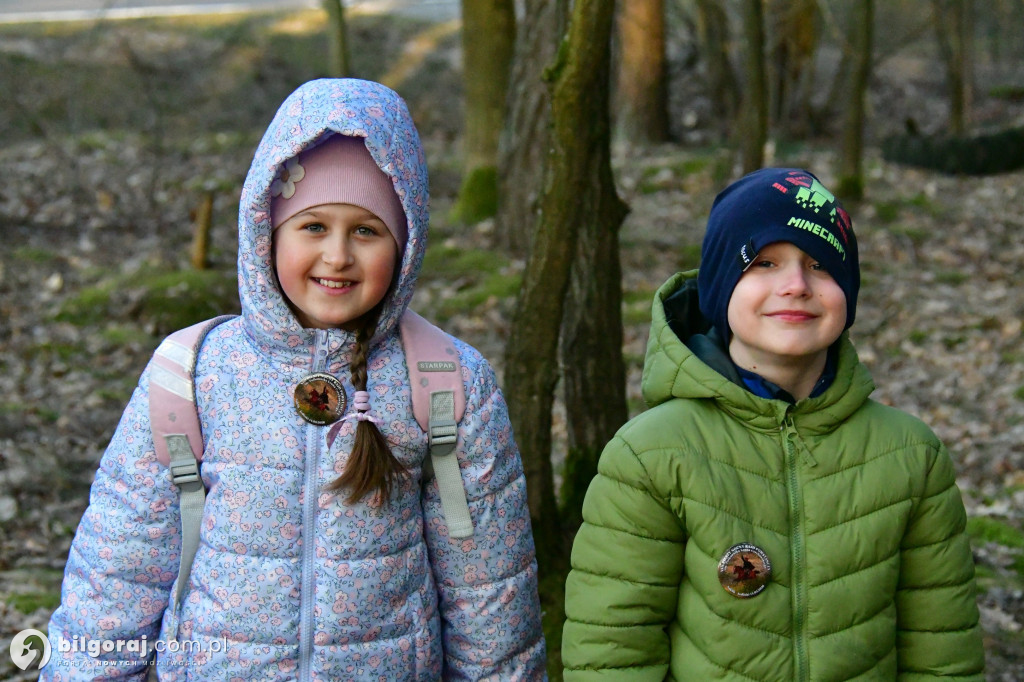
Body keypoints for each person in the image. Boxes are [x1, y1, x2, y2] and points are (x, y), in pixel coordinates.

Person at [43, 78, 546, 680]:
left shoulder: (446, 383)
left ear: (406, 244)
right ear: (267, 232)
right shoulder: (194, 374)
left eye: (366, 230)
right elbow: (118, 572)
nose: (337, 256)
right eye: (313, 227)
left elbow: (489, 594)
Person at [561, 168, 984, 680]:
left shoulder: (911, 455)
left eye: (819, 264)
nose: (796, 285)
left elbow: (942, 651)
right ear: (721, 286)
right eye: (764, 262)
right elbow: (613, 652)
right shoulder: (650, 455)